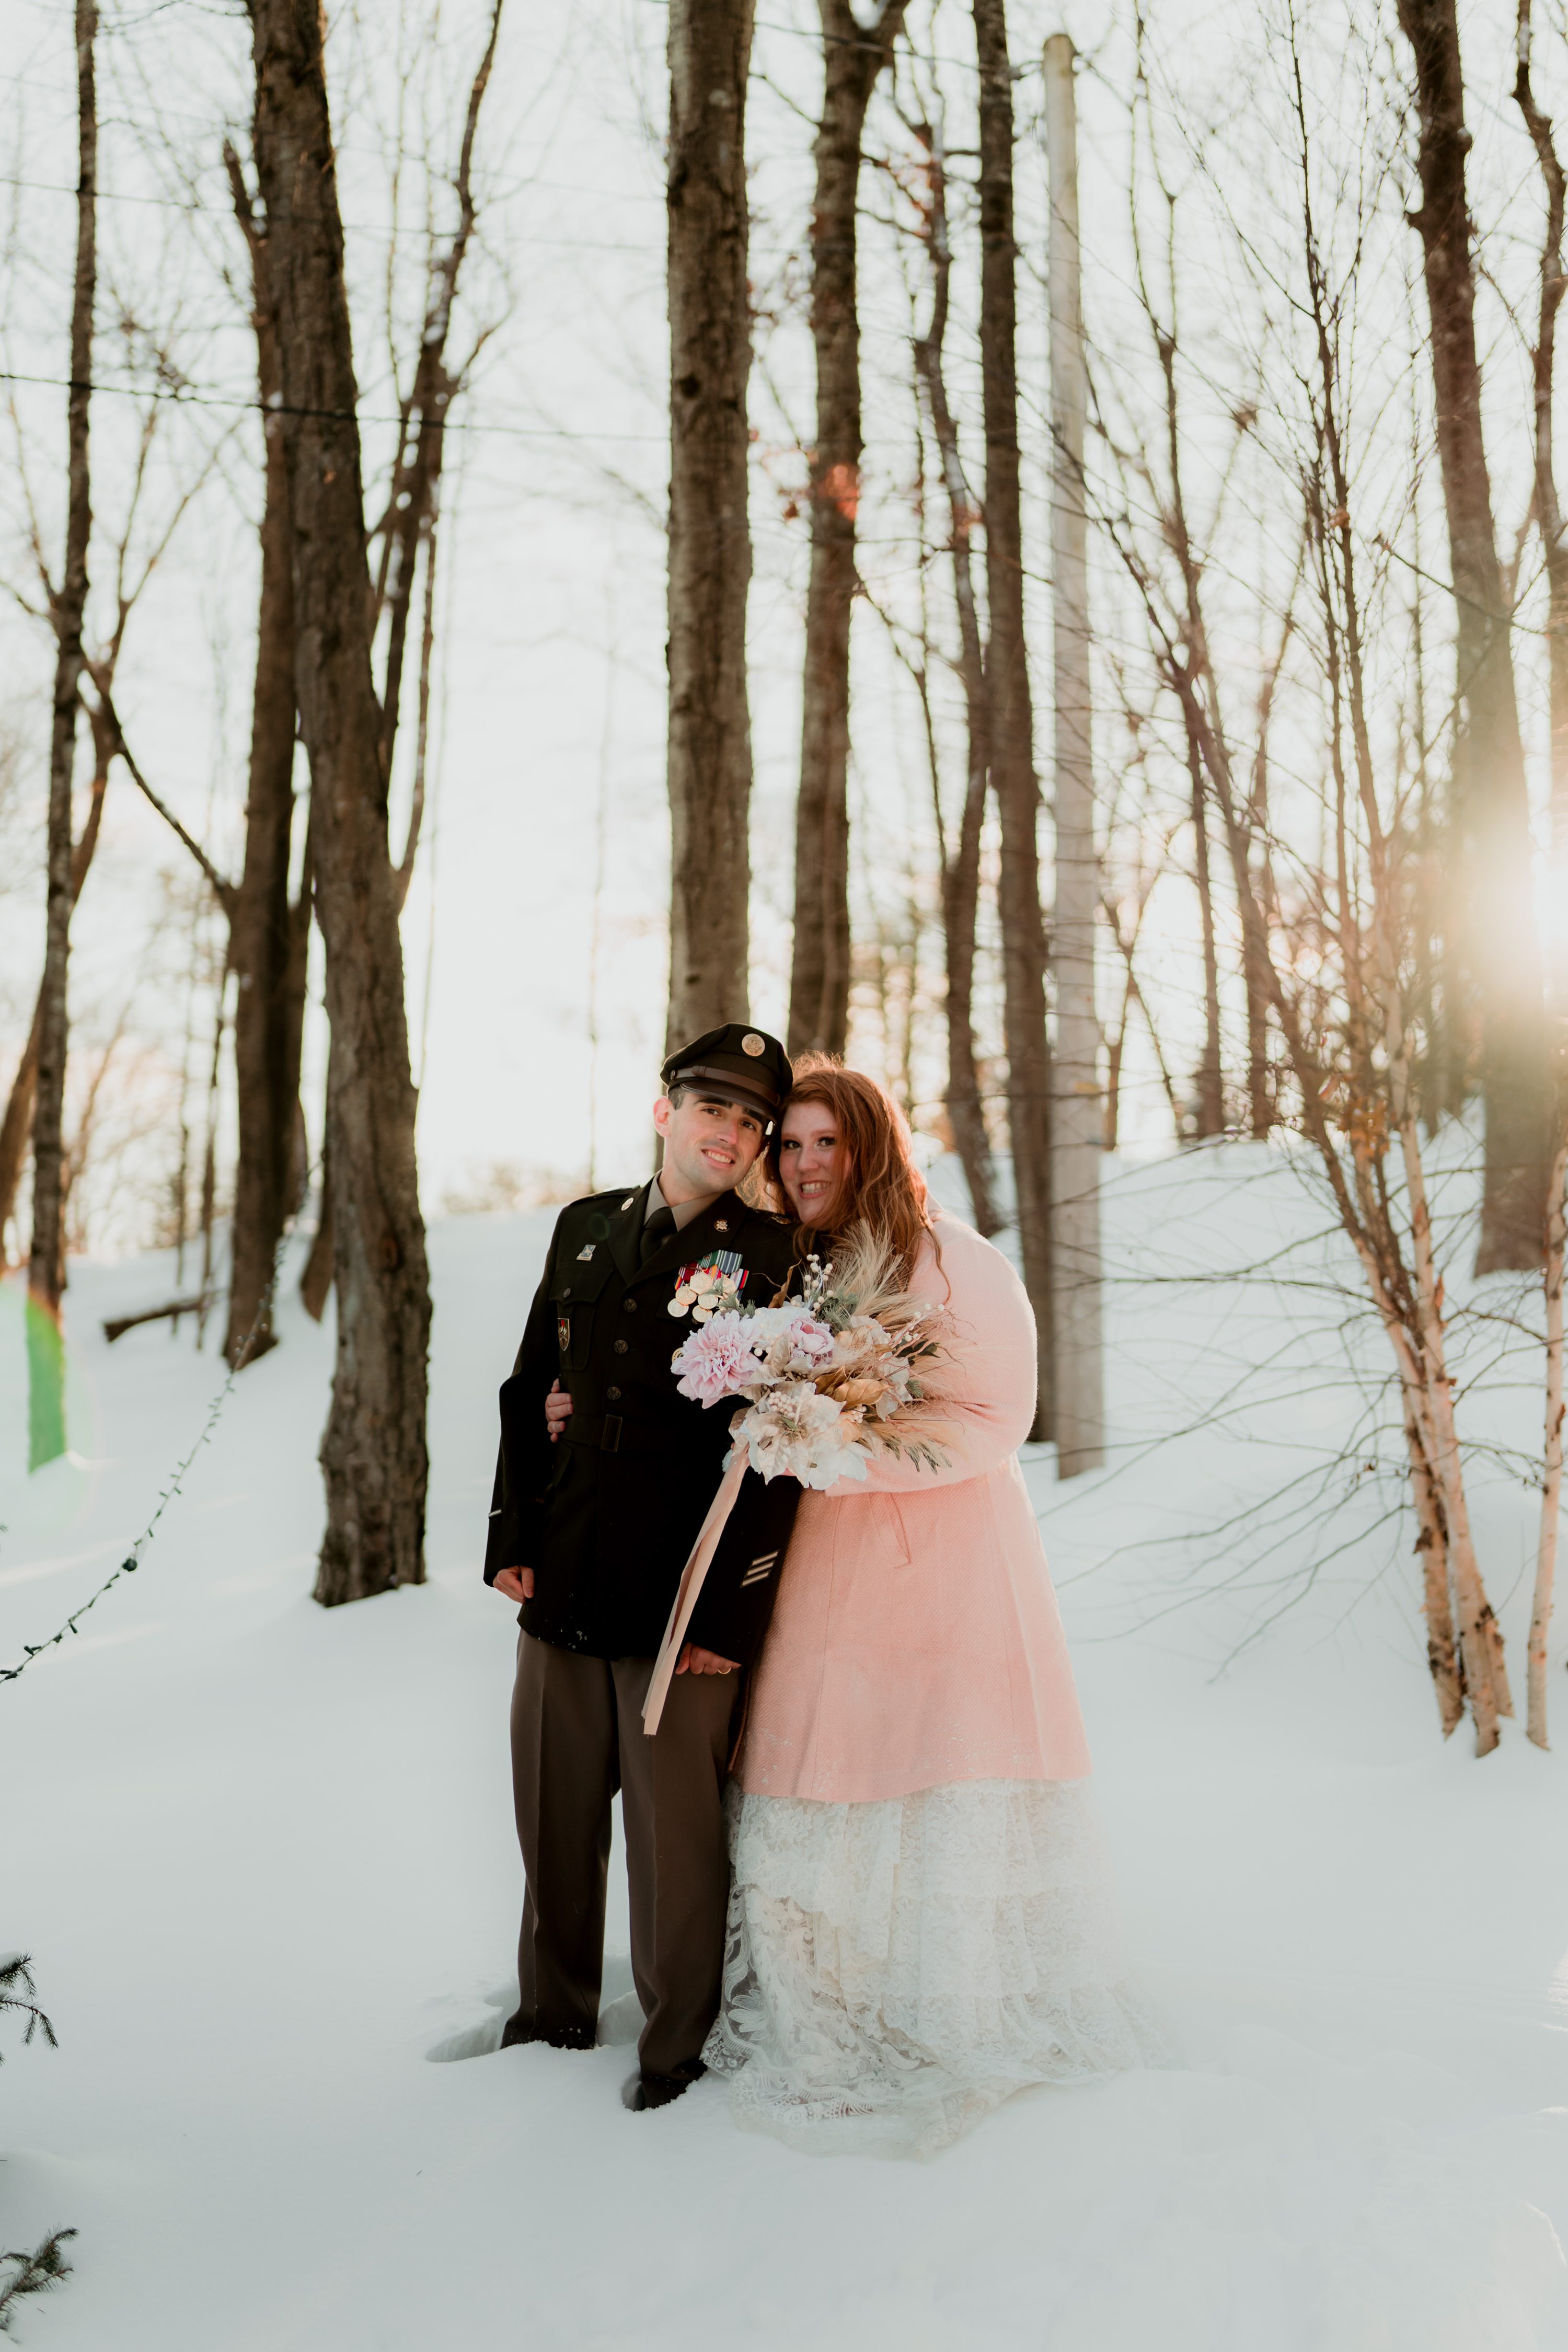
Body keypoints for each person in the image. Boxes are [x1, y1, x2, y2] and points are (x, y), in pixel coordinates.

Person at [701, 1055, 1162, 2155]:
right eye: (794, 1145)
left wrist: (841, 1449)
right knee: (813, 1770)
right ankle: (826, 2008)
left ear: (870, 1147)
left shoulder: (960, 1258)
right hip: (819, 1574)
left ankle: (942, 2007)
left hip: (944, 1568)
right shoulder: (787, 1266)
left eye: (829, 1143)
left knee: (930, 1774)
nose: (808, 1163)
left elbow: (999, 1421)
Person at [483, 1024, 799, 2112]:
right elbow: (532, 1387)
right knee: (553, 1827)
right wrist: (511, 1536)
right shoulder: (581, 1230)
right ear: (666, 1112)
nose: (736, 1133)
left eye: (753, 1122)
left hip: (678, 1592)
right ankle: (549, 2022)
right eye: (716, 1109)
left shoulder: (771, 1254)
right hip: (564, 1570)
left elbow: (779, 1454)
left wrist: (728, 1615)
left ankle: (675, 2059)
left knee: (676, 1855)